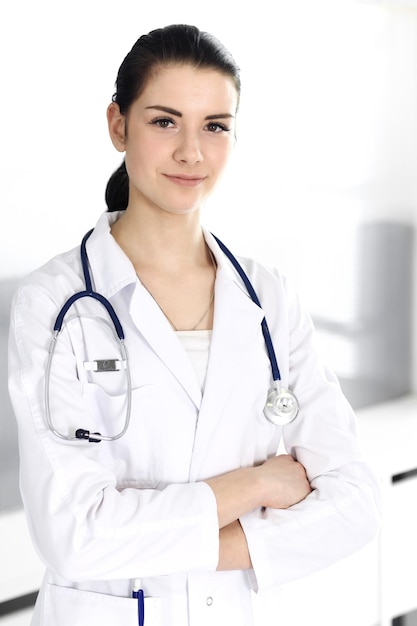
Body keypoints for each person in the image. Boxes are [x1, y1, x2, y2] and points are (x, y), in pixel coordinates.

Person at [8, 24, 381, 626]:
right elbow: (74, 535)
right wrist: (256, 486)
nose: (192, 152)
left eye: (215, 126)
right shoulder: (57, 305)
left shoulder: (268, 298)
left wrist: (169, 542)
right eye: (164, 121)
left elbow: (356, 505)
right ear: (117, 126)